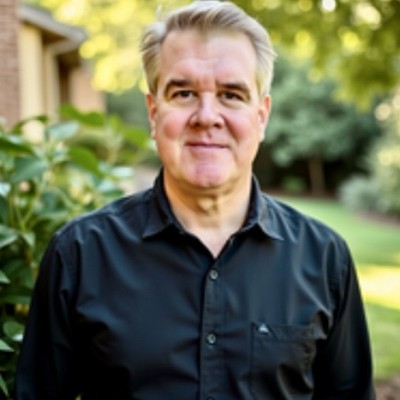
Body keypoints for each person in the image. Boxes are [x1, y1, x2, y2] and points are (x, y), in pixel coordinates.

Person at [15, 1, 375, 399]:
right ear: (154, 112)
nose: (207, 116)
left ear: (261, 116)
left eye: (231, 95)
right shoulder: (79, 256)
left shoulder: (325, 259)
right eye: (184, 93)